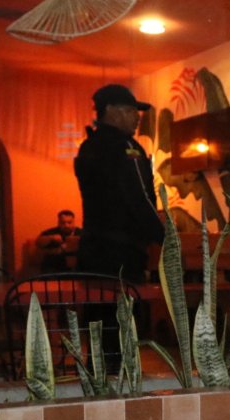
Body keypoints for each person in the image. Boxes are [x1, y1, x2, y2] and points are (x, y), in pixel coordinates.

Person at [74, 84, 164, 281]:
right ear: (110, 111)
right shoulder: (126, 146)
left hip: (91, 249)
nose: (137, 116)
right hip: (123, 253)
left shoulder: (88, 146)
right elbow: (137, 197)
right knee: (126, 310)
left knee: (96, 308)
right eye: (130, 110)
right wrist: (165, 237)